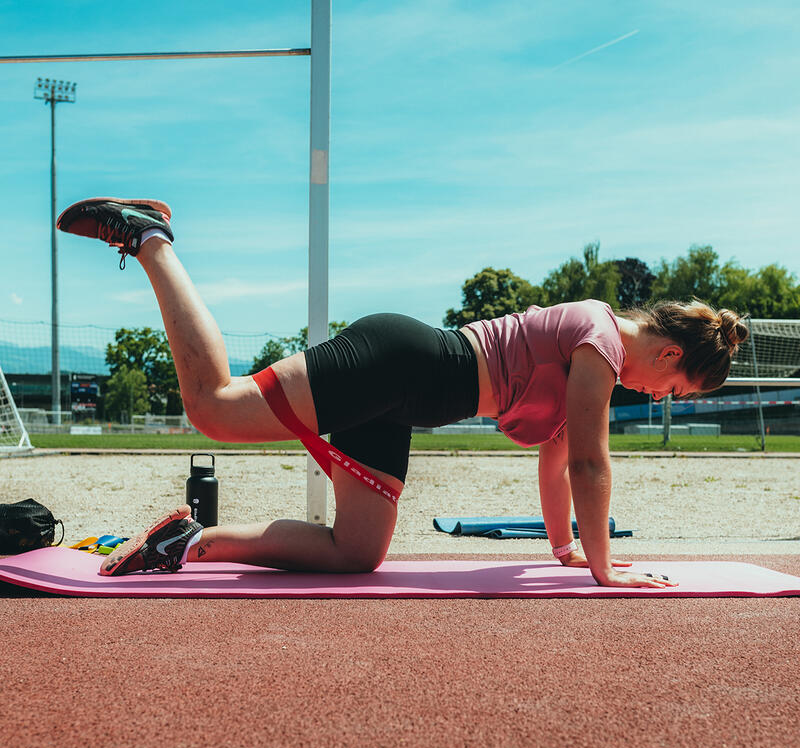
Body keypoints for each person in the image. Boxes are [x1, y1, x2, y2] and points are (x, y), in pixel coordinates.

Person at [56, 197, 749, 588]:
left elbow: (558, 460)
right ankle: (150, 238)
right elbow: (592, 465)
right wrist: (604, 572)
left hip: (403, 402)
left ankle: (186, 541)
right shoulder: (598, 339)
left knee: (356, 552)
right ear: (667, 352)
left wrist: (568, 552)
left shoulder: (590, 359)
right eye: (674, 388)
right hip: (397, 362)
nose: (660, 397)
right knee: (213, 407)